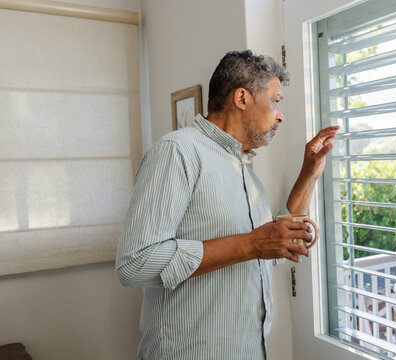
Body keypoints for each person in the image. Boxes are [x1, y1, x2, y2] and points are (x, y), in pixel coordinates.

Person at [115, 50, 339, 360]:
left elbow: (266, 253)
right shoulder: (178, 151)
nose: (280, 115)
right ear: (242, 98)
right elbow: (135, 263)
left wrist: (309, 173)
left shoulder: (242, 167)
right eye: (275, 101)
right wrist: (251, 244)